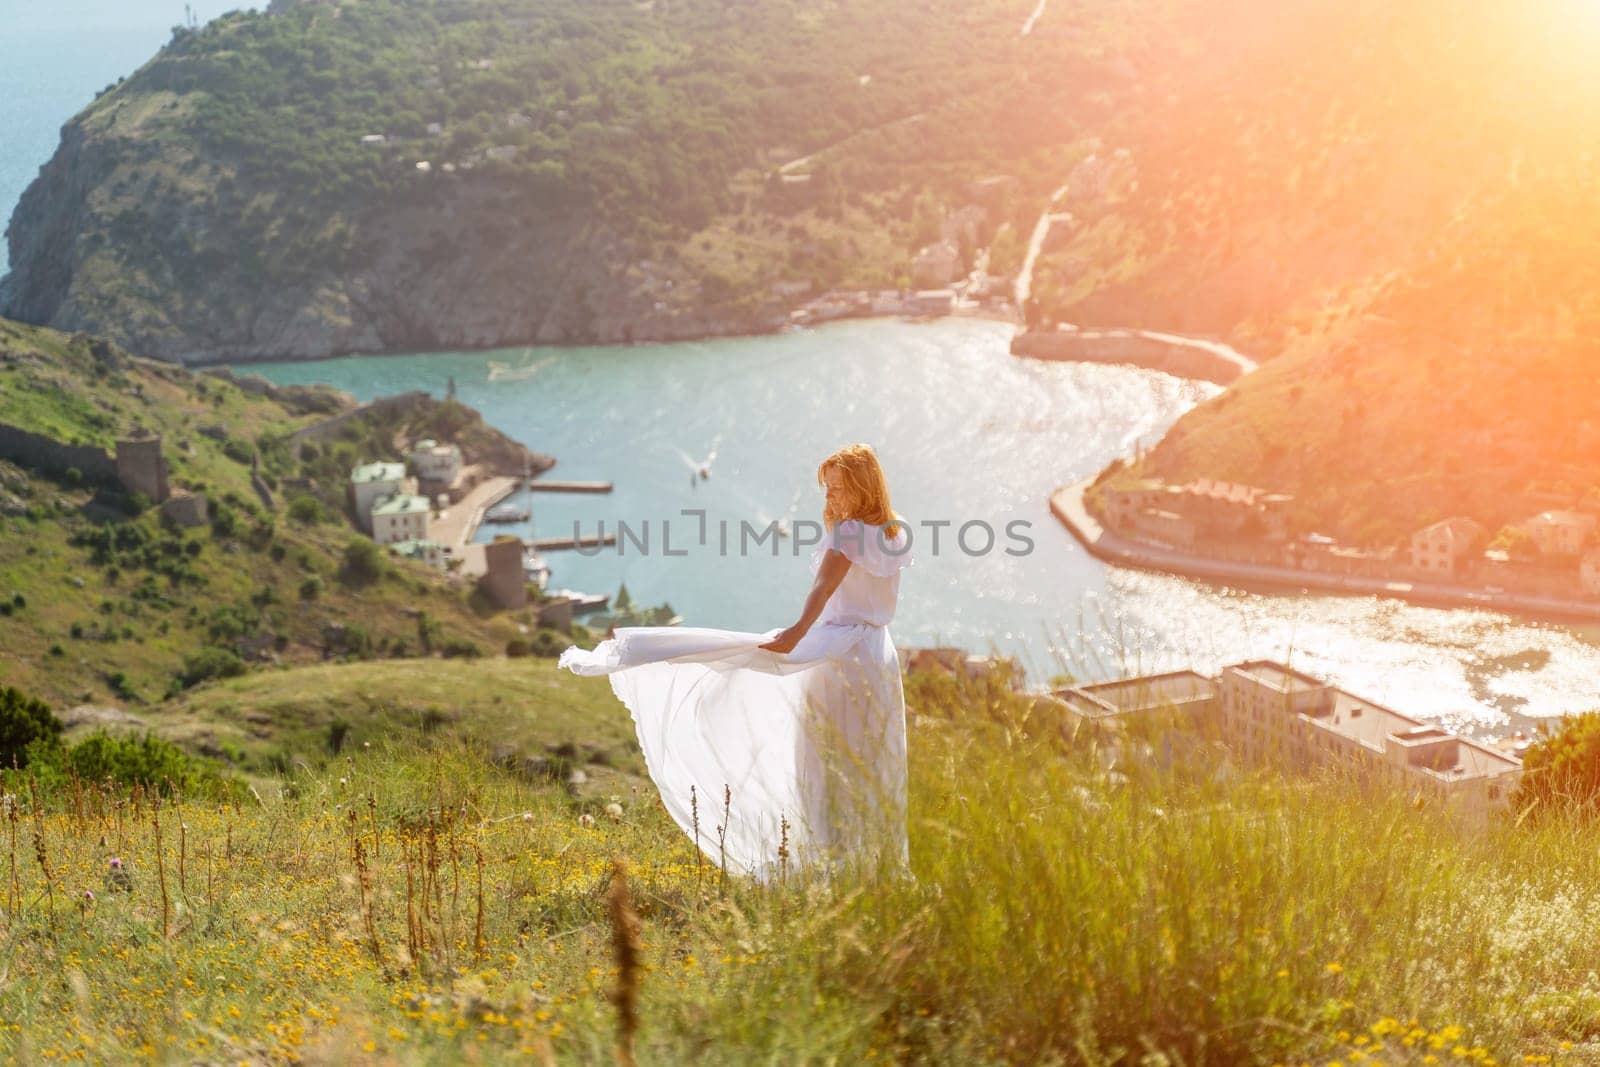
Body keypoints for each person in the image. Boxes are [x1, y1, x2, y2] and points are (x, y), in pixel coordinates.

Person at [557, 443, 914, 884]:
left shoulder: (847, 535)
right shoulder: (896, 533)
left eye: (837, 490)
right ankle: (873, 869)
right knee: (873, 761)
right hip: (878, 659)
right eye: (828, 491)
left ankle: (832, 864)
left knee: (823, 760)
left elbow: (823, 588)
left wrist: (795, 634)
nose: (830, 500)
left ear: (862, 488)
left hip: (840, 660)